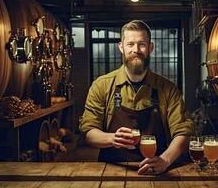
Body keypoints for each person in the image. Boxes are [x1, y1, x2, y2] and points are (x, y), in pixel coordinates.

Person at [80, 20, 194, 175]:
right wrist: (112, 138)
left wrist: (165, 160)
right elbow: (89, 131)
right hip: (111, 170)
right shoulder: (101, 85)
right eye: (130, 44)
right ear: (121, 47)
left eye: (141, 44)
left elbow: (183, 132)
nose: (136, 50)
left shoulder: (167, 88)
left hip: (157, 169)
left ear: (150, 47)